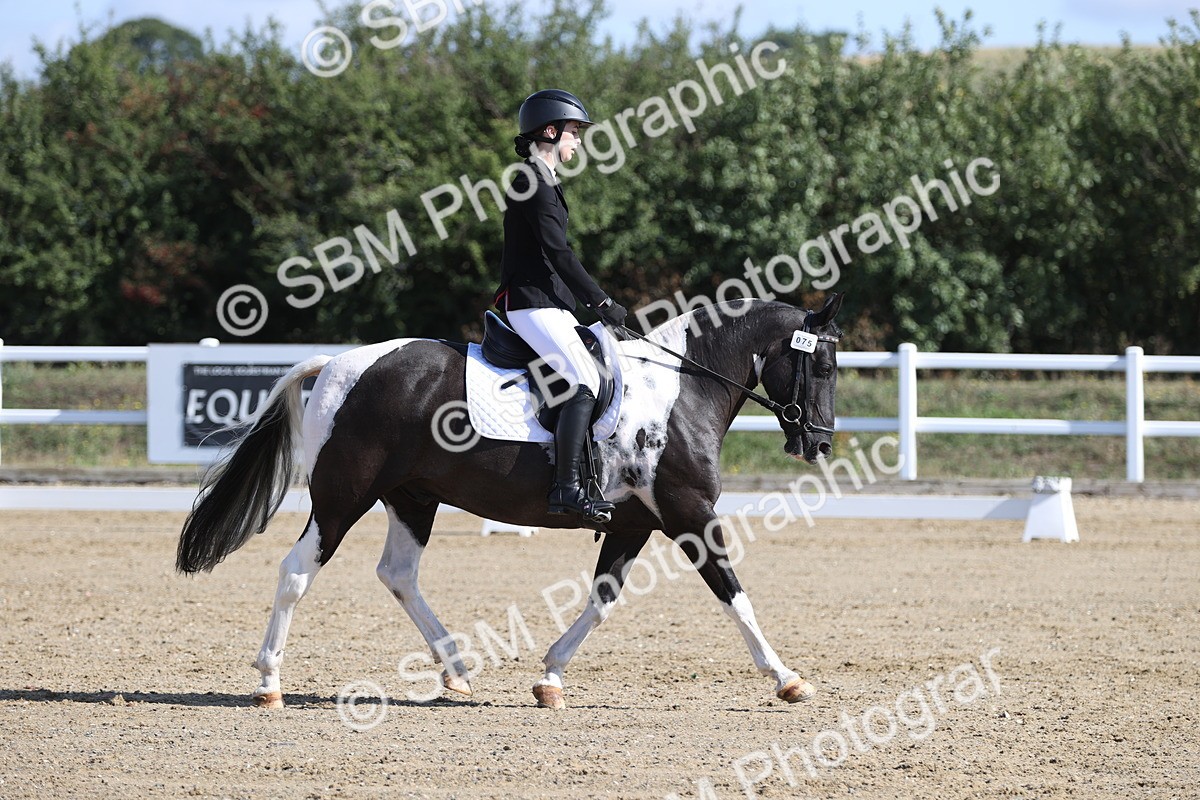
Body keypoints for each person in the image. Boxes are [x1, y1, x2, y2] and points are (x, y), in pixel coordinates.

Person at [493, 89, 627, 522]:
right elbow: (558, 252)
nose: (579, 141)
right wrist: (602, 300)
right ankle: (567, 489)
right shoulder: (531, 180)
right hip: (530, 304)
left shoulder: (545, 180)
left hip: (548, 304)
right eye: (574, 132)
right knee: (584, 382)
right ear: (550, 131)